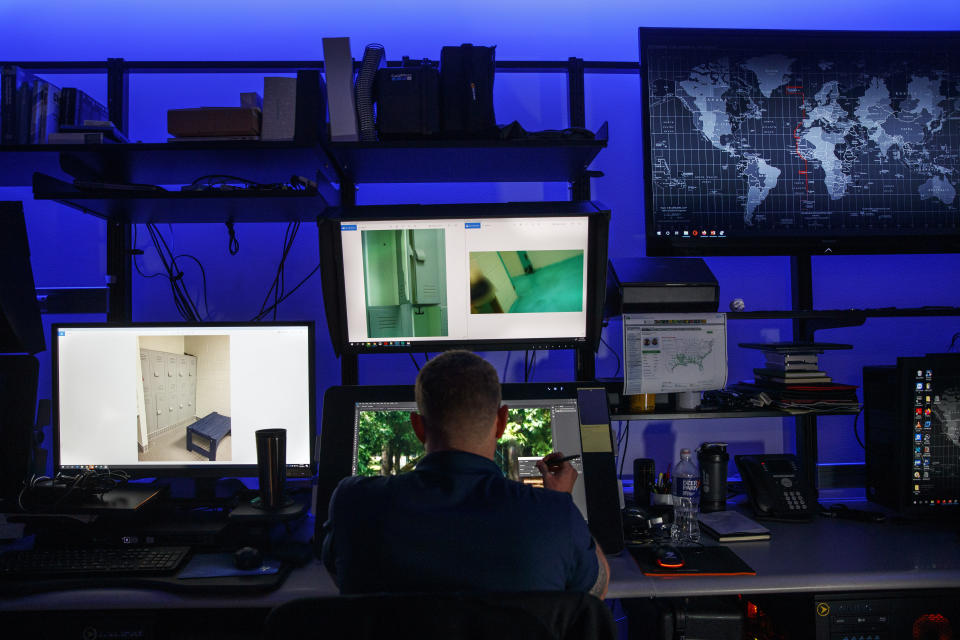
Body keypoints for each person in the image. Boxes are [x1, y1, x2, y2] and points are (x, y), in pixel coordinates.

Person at [322, 350, 610, 598]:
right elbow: (595, 592)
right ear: (501, 423)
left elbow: (344, 580)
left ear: (417, 427)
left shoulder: (352, 503)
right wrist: (562, 502)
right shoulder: (554, 515)